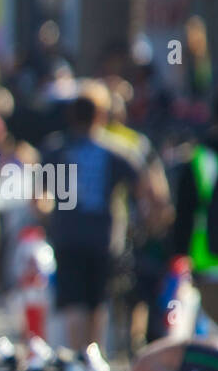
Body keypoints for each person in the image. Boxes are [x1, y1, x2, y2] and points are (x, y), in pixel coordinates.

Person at [41, 82, 150, 352]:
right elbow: (148, 191)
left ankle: (77, 359)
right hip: (104, 239)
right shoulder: (116, 151)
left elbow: (38, 198)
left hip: (67, 236)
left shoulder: (55, 150)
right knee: (97, 302)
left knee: (73, 302)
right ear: (101, 114)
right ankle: (92, 360)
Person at [172, 90, 218, 330]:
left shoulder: (199, 156)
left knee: (215, 346)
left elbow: (185, 213)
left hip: (209, 266)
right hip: (209, 268)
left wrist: (176, 254)